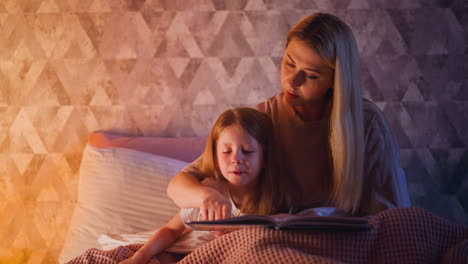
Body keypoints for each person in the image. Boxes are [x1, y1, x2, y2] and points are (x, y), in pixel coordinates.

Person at [167, 13, 411, 218]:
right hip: (281, 240)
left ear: (335, 81)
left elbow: (392, 215)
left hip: (347, 242)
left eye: (312, 75)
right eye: (289, 64)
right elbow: (178, 185)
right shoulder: (262, 118)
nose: (292, 81)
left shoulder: (367, 123)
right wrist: (206, 195)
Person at [120, 108, 287, 264]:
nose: (236, 159)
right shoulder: (210, 191)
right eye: (227, 152)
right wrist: (139, 257)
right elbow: (171, 230)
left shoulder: (276, 198)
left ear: (265, 158)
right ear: (215, 157)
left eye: (248, 151)